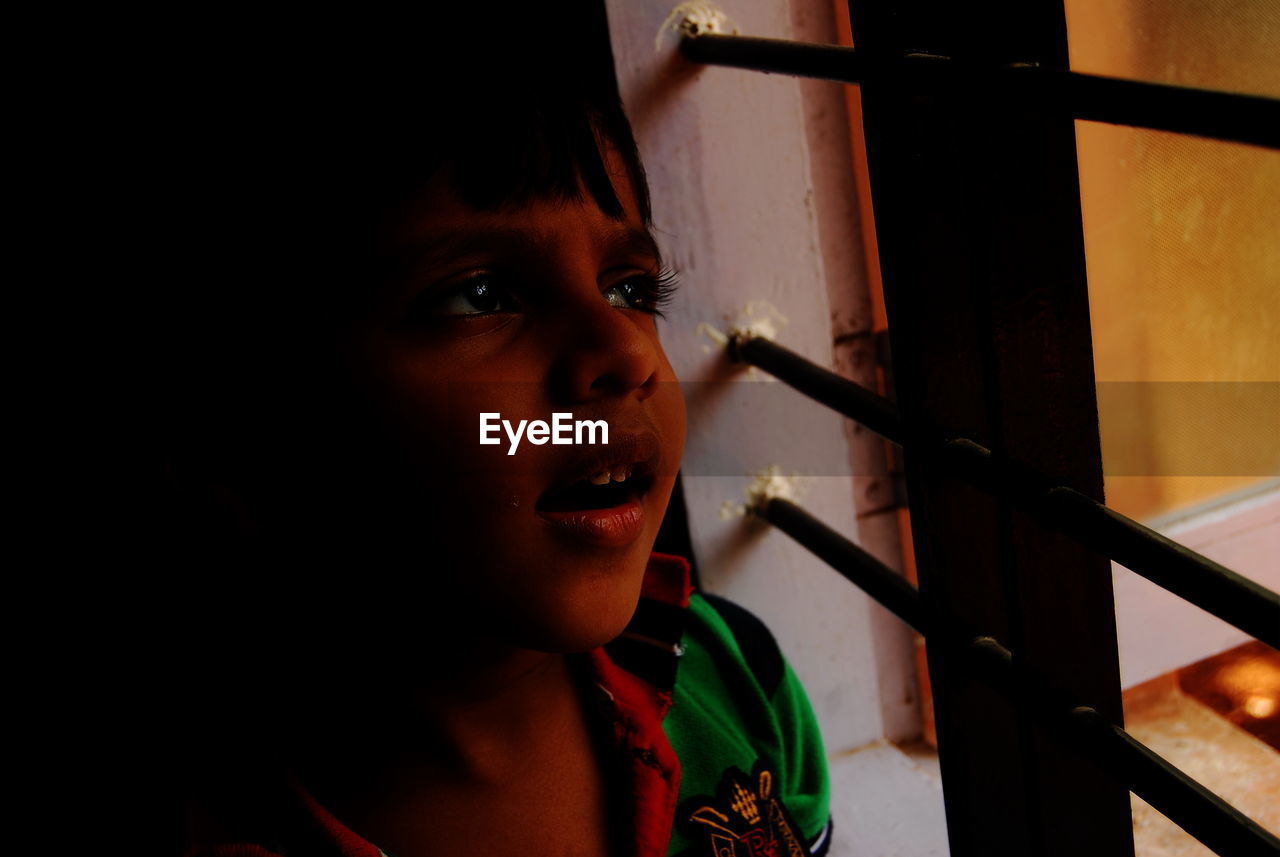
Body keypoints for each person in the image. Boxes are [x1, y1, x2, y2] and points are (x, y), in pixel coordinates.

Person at [164, 14, 831, 857]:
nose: (625, 352)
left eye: (630, 288)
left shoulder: (735, 679)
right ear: (237, 440)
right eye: (479, 295)